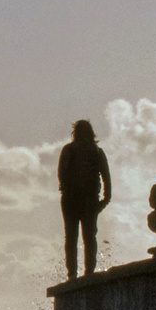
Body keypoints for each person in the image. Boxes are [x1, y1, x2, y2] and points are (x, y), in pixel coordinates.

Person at [57, 119, 111, 281]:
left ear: (75, 133)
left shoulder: (68, 149)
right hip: (90, 201)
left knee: (71, 237)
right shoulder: (97, 151)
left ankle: (72, 274)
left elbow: (61, 174)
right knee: (89, 237)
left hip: (70, 200)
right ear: (91, 133)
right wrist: (104, 200)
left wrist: (67, 191)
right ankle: (89, 272)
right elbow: (107, 178)